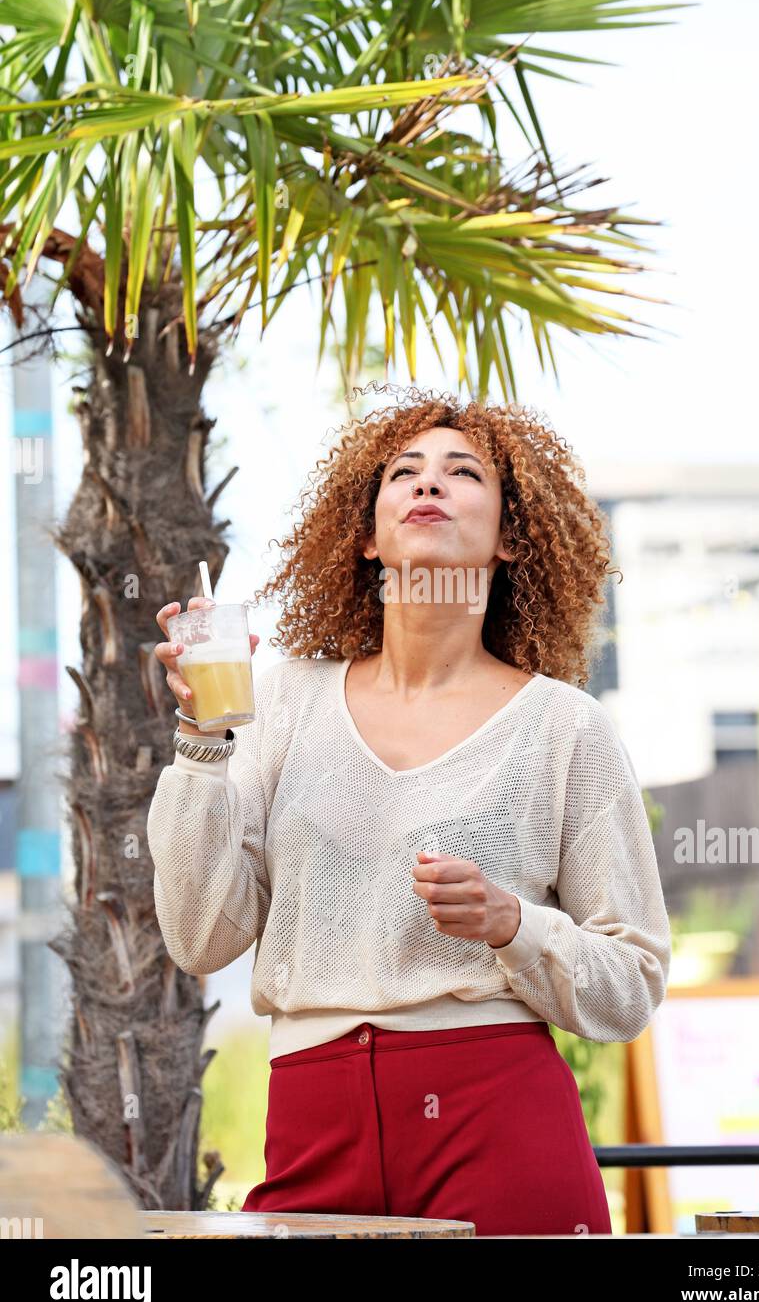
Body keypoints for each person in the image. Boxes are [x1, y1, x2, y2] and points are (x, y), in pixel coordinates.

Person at [146, 385, 671, 1237]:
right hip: (312, 1122)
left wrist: (513, 925)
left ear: (509, 538)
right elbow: (201, 937)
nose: (429, 484)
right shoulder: (279, 704)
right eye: (405, 473)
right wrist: (202, 739)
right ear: (366, 534)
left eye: (462, 472)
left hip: (499, 1121)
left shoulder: (564, 727)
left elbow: (632, 987)